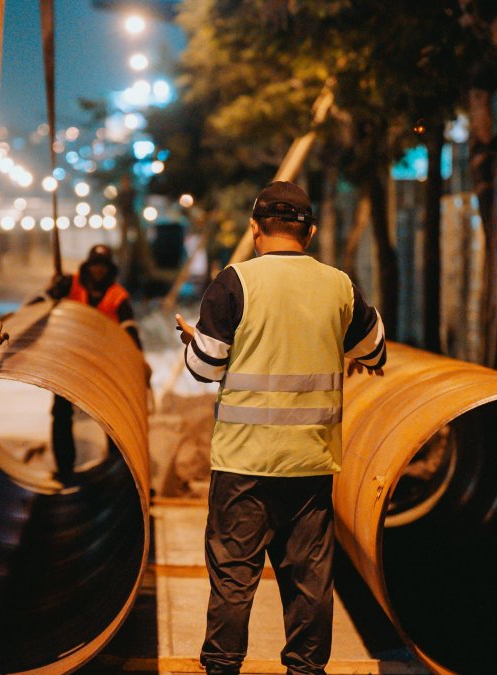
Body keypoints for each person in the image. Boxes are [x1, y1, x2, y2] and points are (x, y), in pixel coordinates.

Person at [175, 181, 387, 675]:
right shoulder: (339, 285)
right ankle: (305, 671)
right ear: (309, 232)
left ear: (254, 230)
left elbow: (205, 368)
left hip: (242, 465)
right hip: (309, 466)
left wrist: (193, 340)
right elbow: (374, 351)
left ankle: (222, 668)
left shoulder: (233, 284)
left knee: (233, 580)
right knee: (310, 583)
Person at [44, 244, 144, 479]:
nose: (98, 271)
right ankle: (64, 470)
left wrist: (136, 360)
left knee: (113, 417)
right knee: (60, 412)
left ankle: (116, 470)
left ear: (110, 269)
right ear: (87, 267)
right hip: (70, 361)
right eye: (95, 266)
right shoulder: (70, 284)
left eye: (103, 266)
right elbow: (43, 304)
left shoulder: (118, 297)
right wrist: (53, 290)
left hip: (103, 365)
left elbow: (130, 329)